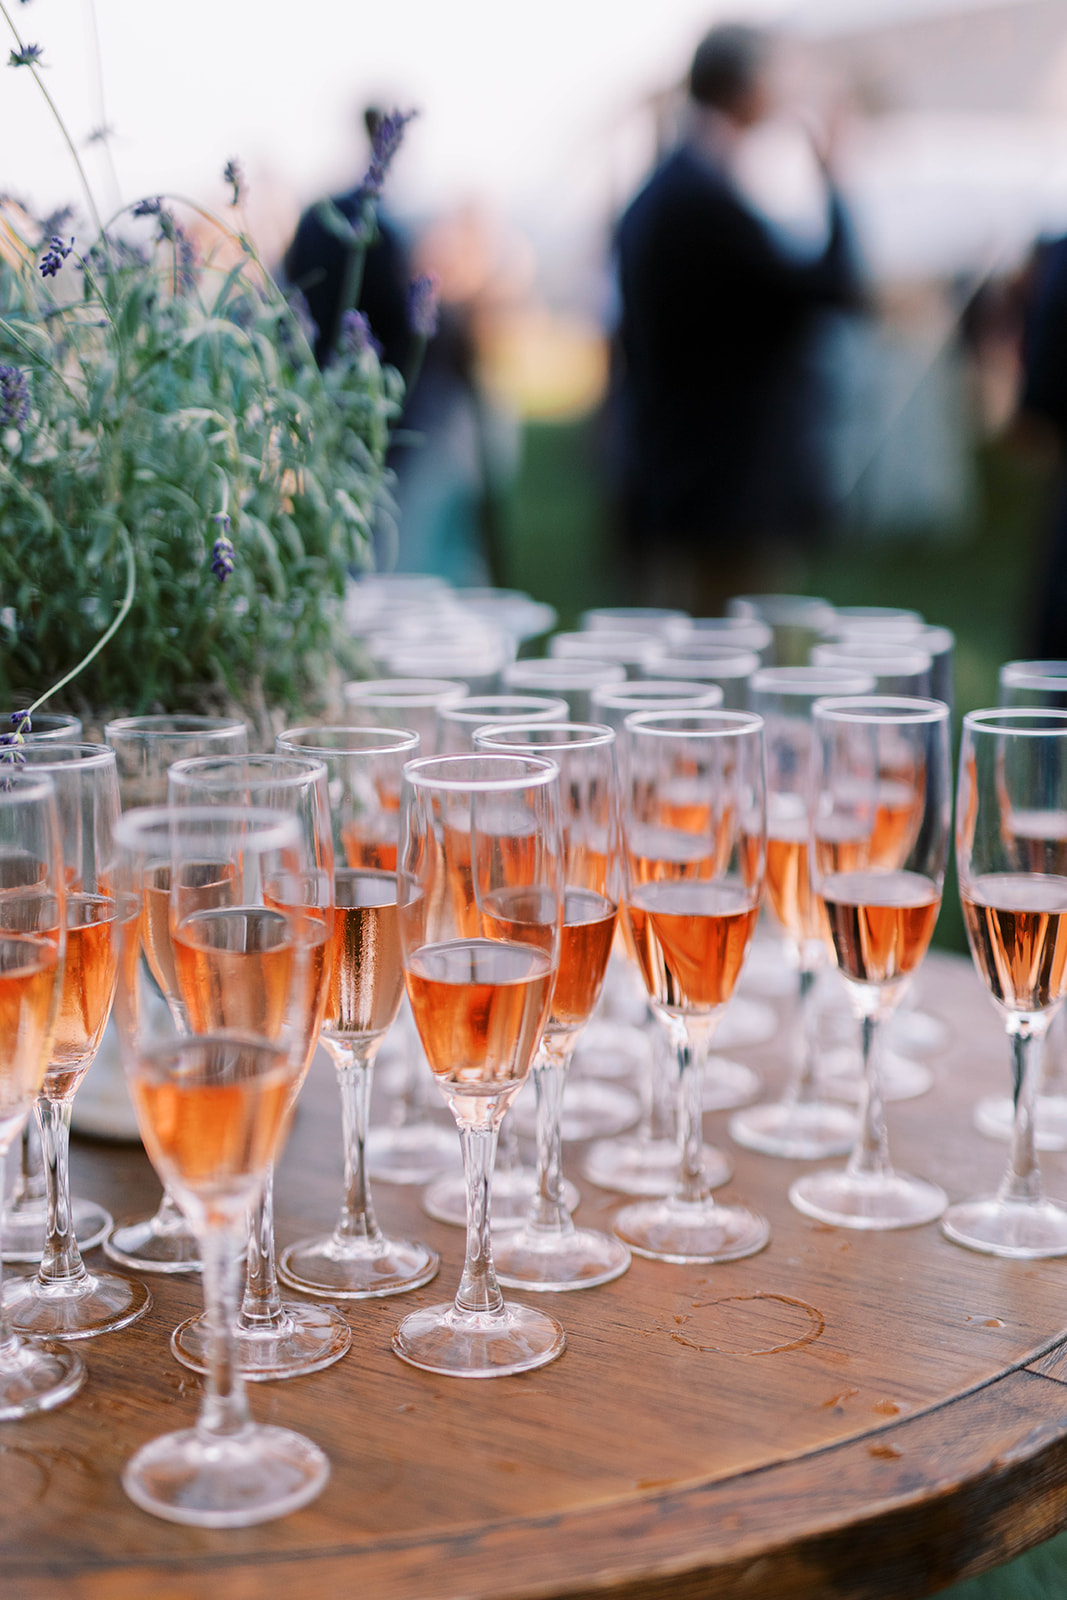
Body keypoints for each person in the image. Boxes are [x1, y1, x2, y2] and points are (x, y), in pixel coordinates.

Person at [613, 23, 864, 611]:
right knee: (730, 666)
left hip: (684, 474)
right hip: (726, 491)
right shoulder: (702, 201)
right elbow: (835, 288)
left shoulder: (671, 188)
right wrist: (834, 178)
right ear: (746, 88)